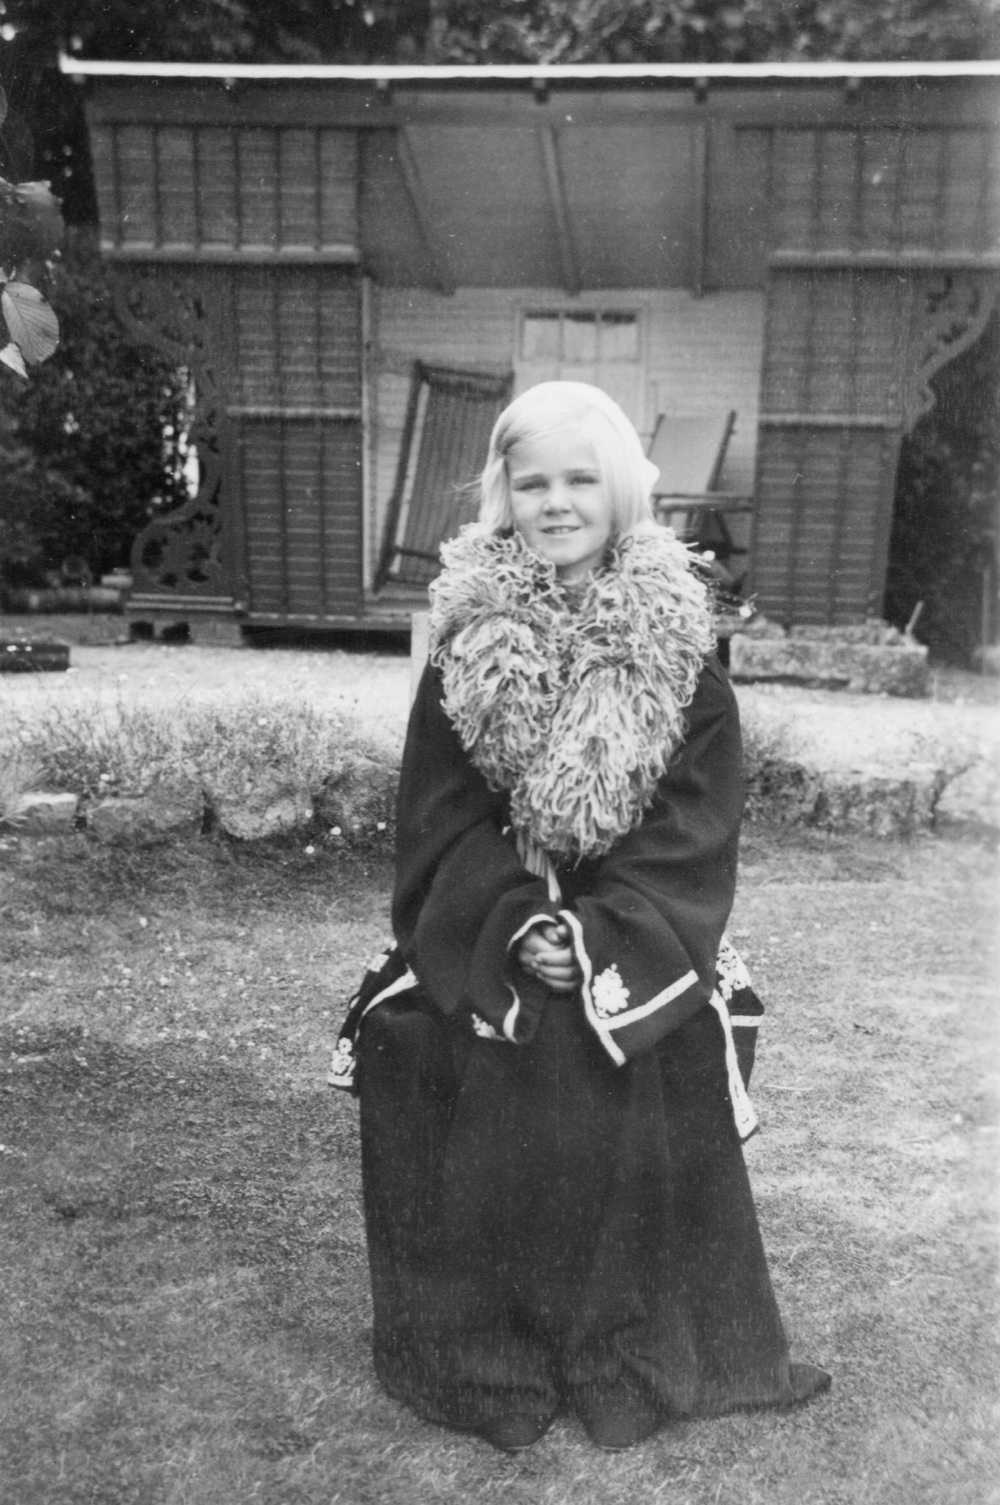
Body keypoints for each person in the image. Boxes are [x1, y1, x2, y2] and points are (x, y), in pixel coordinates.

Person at [333, 381, 830, 1453]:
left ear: (622, 492)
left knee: (623, 1044)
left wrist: (599, 934)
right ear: (502, 495)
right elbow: (439, 816)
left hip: (638, 919)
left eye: (579, 479)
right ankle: (488, 1333)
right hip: (487, 913)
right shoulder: (467, 644)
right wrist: (517, 921)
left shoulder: (679, 651)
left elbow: (691, 828)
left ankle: (627, 1333)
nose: (557, 501)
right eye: (532, 480)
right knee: (423, 1034)